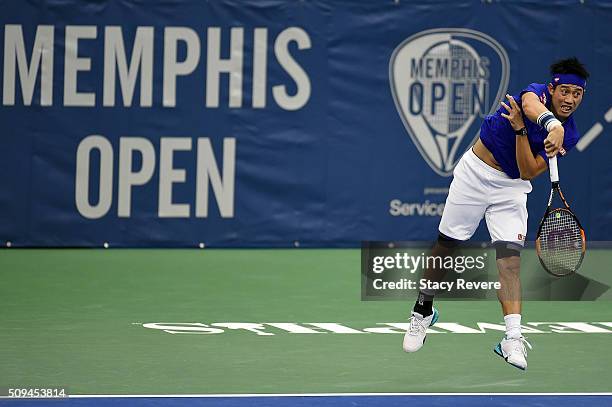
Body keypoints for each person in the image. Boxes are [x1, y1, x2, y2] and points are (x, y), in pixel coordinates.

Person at [402, 57, 589, 370]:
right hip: (474, 173)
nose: (570, 99)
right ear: (552, 88)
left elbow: (527, 171)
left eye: (578, 94)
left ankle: (512, 338)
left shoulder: (569, 135)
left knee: (510, 261)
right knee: (446, 245)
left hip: (511, 189)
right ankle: (423, 309)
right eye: (565, 91)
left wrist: (520, 131)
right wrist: (550, 124)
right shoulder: (535, 95)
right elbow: (529, 105)